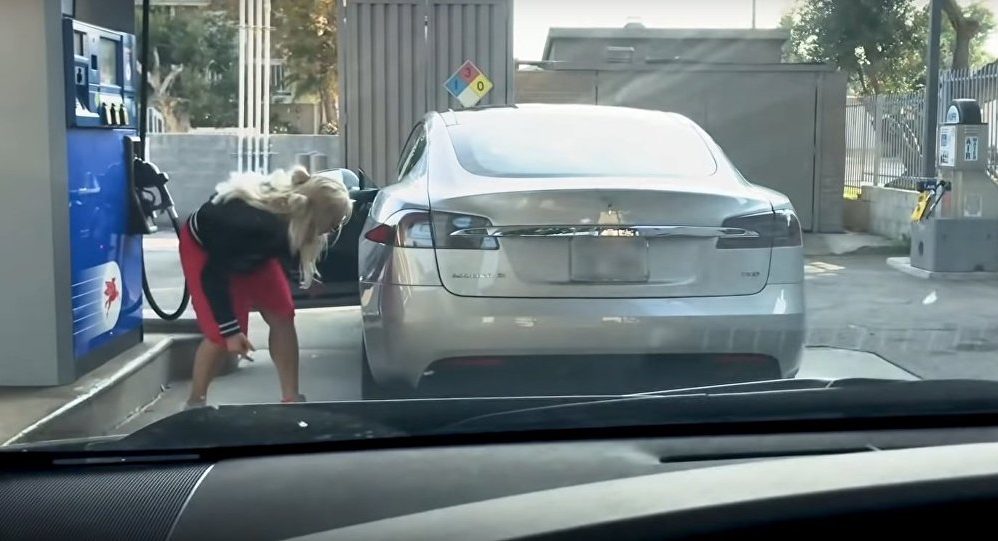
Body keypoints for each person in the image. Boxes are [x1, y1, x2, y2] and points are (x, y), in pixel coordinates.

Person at [179, 166, 353, 408]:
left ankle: (291, 398)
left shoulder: (290, 215)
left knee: (283, 314)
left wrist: (302, 275)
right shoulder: (250, 224)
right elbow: (214, 276)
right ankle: (195, 401)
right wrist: (231, 331)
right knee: (220, 335)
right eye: (334, 223)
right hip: (207, 251)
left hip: (249, 251)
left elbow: (282, 244)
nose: (333, 229)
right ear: (317, 216)